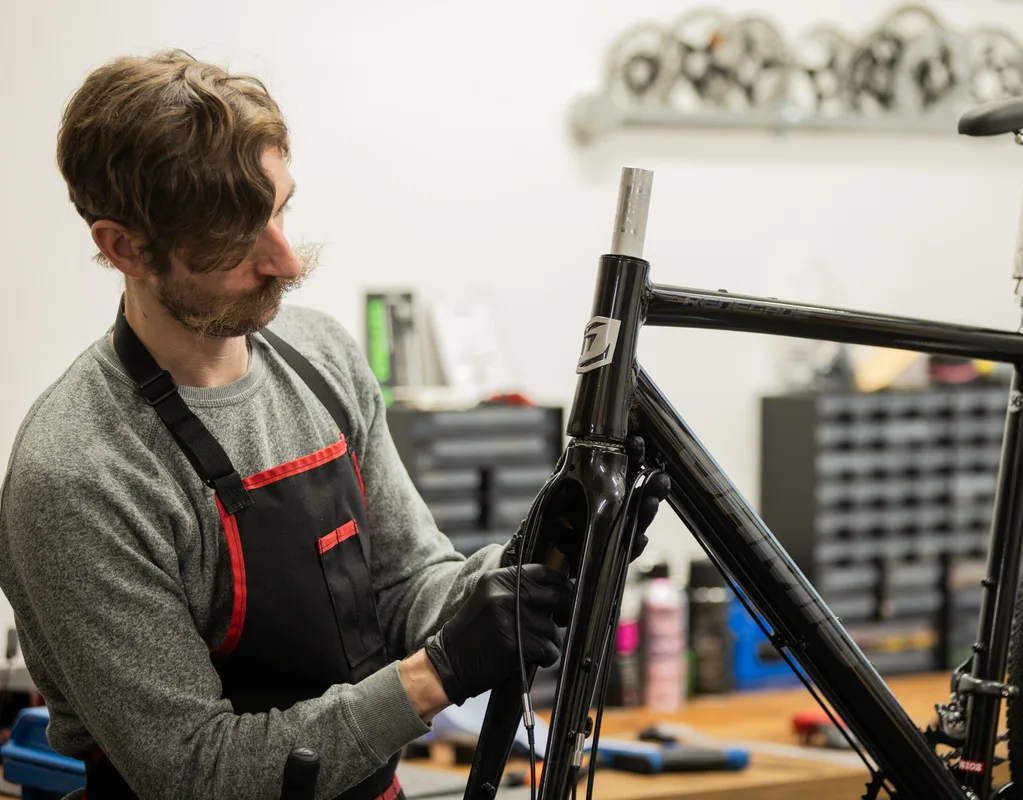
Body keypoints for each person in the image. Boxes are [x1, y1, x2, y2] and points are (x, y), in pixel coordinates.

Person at [0, 50, 667, 800]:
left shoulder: (320, 358)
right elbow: (195, 769)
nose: (284, 259)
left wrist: (527, 569)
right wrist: (438, 672)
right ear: (123, 246)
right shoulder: (79, 474)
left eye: (279, 208)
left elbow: (409, 585)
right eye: (231, 238)